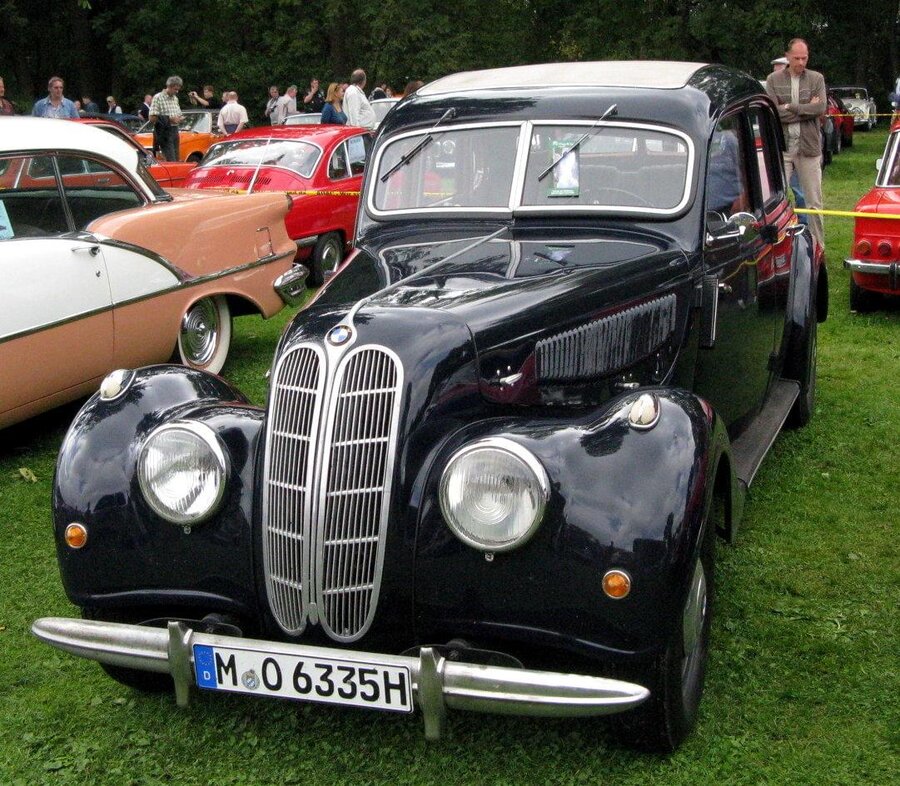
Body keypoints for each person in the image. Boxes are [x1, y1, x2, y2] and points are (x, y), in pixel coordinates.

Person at [766, 38, 826, 254]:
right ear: (787, 57)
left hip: (809, 149)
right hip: (782, 149)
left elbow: (820, 108)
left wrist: (789, 107)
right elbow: (772, 113)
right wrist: (805, 109)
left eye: (805, 58)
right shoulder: (773, 79)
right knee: (775, 201)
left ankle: (819, 250)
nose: (801, 62)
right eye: (797, 58)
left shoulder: (816, 78)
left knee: (813, 203)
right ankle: (774, 250)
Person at [149, 75, 185, 162]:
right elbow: (152, 118)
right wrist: (170, 119)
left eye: (178, 89)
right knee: (171, 159)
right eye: (175, 89)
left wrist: (180, 118)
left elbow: (178, 114)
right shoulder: (158, 97)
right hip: (164, 131)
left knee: (176, 158)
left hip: (175, 130)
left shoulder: (175, 99)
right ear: (169, 86)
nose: (177, 91)